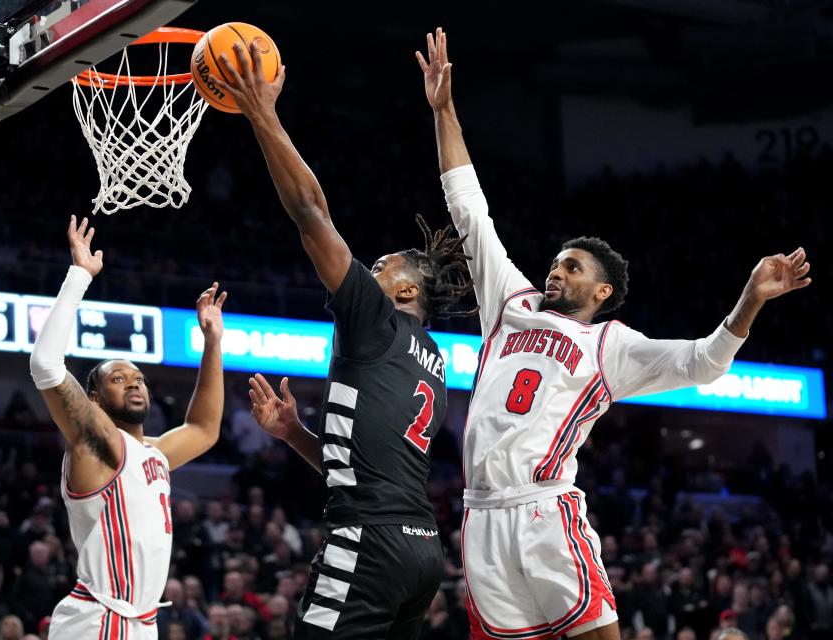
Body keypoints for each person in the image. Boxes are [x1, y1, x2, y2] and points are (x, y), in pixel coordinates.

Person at [417, 26, 812, 640]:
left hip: (545, 508)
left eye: (572, 266)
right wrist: (444, 110)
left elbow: (706, 363)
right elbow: (469, 207)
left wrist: (750, 299)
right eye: (556, 260)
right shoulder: (509, 301)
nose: (556, 268)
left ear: (601, 292)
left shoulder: (610, 344)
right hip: (479, 517)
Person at [212, 41, 474, 639]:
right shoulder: (429, 357)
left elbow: (310, 213)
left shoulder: (375, 319)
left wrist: (261, 112)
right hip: (420, 553)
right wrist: (294, 433)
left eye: (383, 266)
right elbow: (361, 464)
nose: (369, 271)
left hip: (370, 543)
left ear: (407, 293)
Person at [29, 217, 227, 640]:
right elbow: (45, 365)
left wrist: (212, 343)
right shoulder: (99, 443)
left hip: (140, 621)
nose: (134, 382)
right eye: (118, 379)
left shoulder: (152, 453)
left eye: (138, 377)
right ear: (95, 399)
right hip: (101, 617)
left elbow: (204, 428)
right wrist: (80, 274)